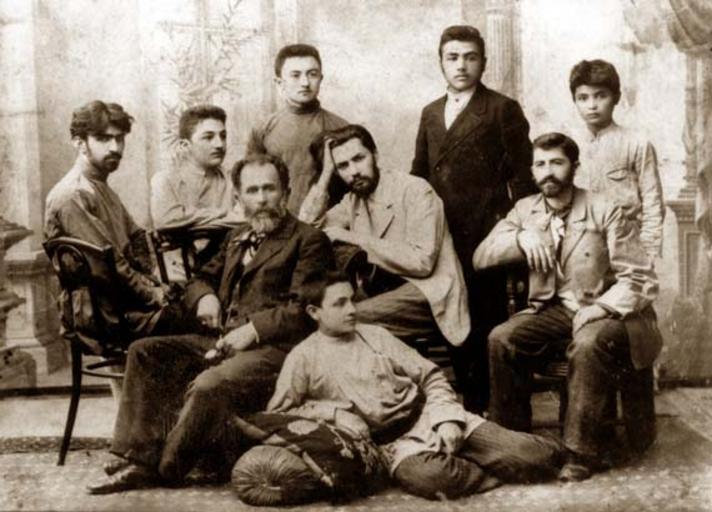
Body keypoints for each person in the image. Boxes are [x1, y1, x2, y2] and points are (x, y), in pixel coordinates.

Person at [87, 153, 334, 494]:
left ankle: (163, 468)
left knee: (208, 384)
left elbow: (304, 310)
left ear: (286, 193)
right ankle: (137, 454)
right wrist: (205, 297)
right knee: (144, 351)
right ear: (239, 198)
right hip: (223, 341)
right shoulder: (236, 237)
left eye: (269, 189)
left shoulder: (308, 240)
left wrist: (252, 330)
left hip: (275, 351)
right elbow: (200, 278)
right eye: (252, 191)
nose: (261, 199)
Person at [267, 272, 563, 500]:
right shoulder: (303, 357)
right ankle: (498, 467)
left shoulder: (375, 335)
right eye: (339, 303)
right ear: (314, 312)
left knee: (535, 455)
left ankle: (509, 458)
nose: (352, 310)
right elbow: (279, 413)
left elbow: (431, 376)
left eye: (352, 300)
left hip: (428, 416)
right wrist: (332, 413)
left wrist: (446, 419)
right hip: (394, 446)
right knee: (433, 478)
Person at [473, 132, 662, 482]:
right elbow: (481, 256)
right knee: (501, 338)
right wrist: (520, 237)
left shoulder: (604, 208)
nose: (548, 172)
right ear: (532, 170)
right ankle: (512, 443)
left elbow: (641, 277)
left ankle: (579, 452)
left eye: (557, 163)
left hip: (609, 312)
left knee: (588, 343)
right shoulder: (525, 210)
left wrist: (602, 307)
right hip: (554, 311)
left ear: (574, 167)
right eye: (540, 164)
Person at [411, 25, 537, 411]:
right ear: (441, 62)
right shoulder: (431, 113)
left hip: (485, 234)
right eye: (453, 57)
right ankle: (462, 406)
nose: (461, 65)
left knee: (484, 319)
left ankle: (487, 408)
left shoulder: (501, 109)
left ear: (483, 62)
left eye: (470, 57)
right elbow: (418, 177)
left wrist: (518, 233)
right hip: (441, 235)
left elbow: (524, 179)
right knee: (451, 316)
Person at [300, 124, 469, 347]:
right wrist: (325, 176)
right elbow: (307, 229)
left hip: (429, 292)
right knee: (317, 313)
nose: (353, 171)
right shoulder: (353, 199)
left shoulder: (415, 190)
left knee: (342, 319)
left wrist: (352, 237)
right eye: (343, 166)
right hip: (381, 289)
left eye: (359, 158)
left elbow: (422, 263)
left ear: (375, 155)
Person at [44, 100, 187, 346]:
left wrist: (157, 283)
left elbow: (136, 239)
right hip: (105, 316)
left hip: (122, 304)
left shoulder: (100, 187)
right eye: (103, 139)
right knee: (197, 319)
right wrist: (154, 295)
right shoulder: (72, 195)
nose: (115, 147)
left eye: (119, 139)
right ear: (79, 143)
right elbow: (108, 264)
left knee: (199, 302)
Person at [569, 59, 664, 260]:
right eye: (583, 98)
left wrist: (649, 252)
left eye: (601, 96)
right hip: (580, 245)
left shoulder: (637, 143)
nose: (592, 105)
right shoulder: (568, 146)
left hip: (627, 242)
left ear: (616, 97)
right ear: (574, 101)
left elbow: (652, 202)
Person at [247, 44, 348, 214]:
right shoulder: (263, 129)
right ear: (279, 82)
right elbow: (251, 182)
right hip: (277, 221)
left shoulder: (341, 128)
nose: (305, 83)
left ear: (321, 78)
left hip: (326, 222)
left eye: (312, 74)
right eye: (295, 75)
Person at [150, 105, 244, 280]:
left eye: (223, 136)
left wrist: (187, 221)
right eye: (208, 137)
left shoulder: (233, 180)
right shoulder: (164, 180)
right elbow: (166, 220)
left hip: (222, 277)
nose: (219, 144)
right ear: (185, 145)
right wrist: (222, 214)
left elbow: (244, 220)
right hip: (176, 278)